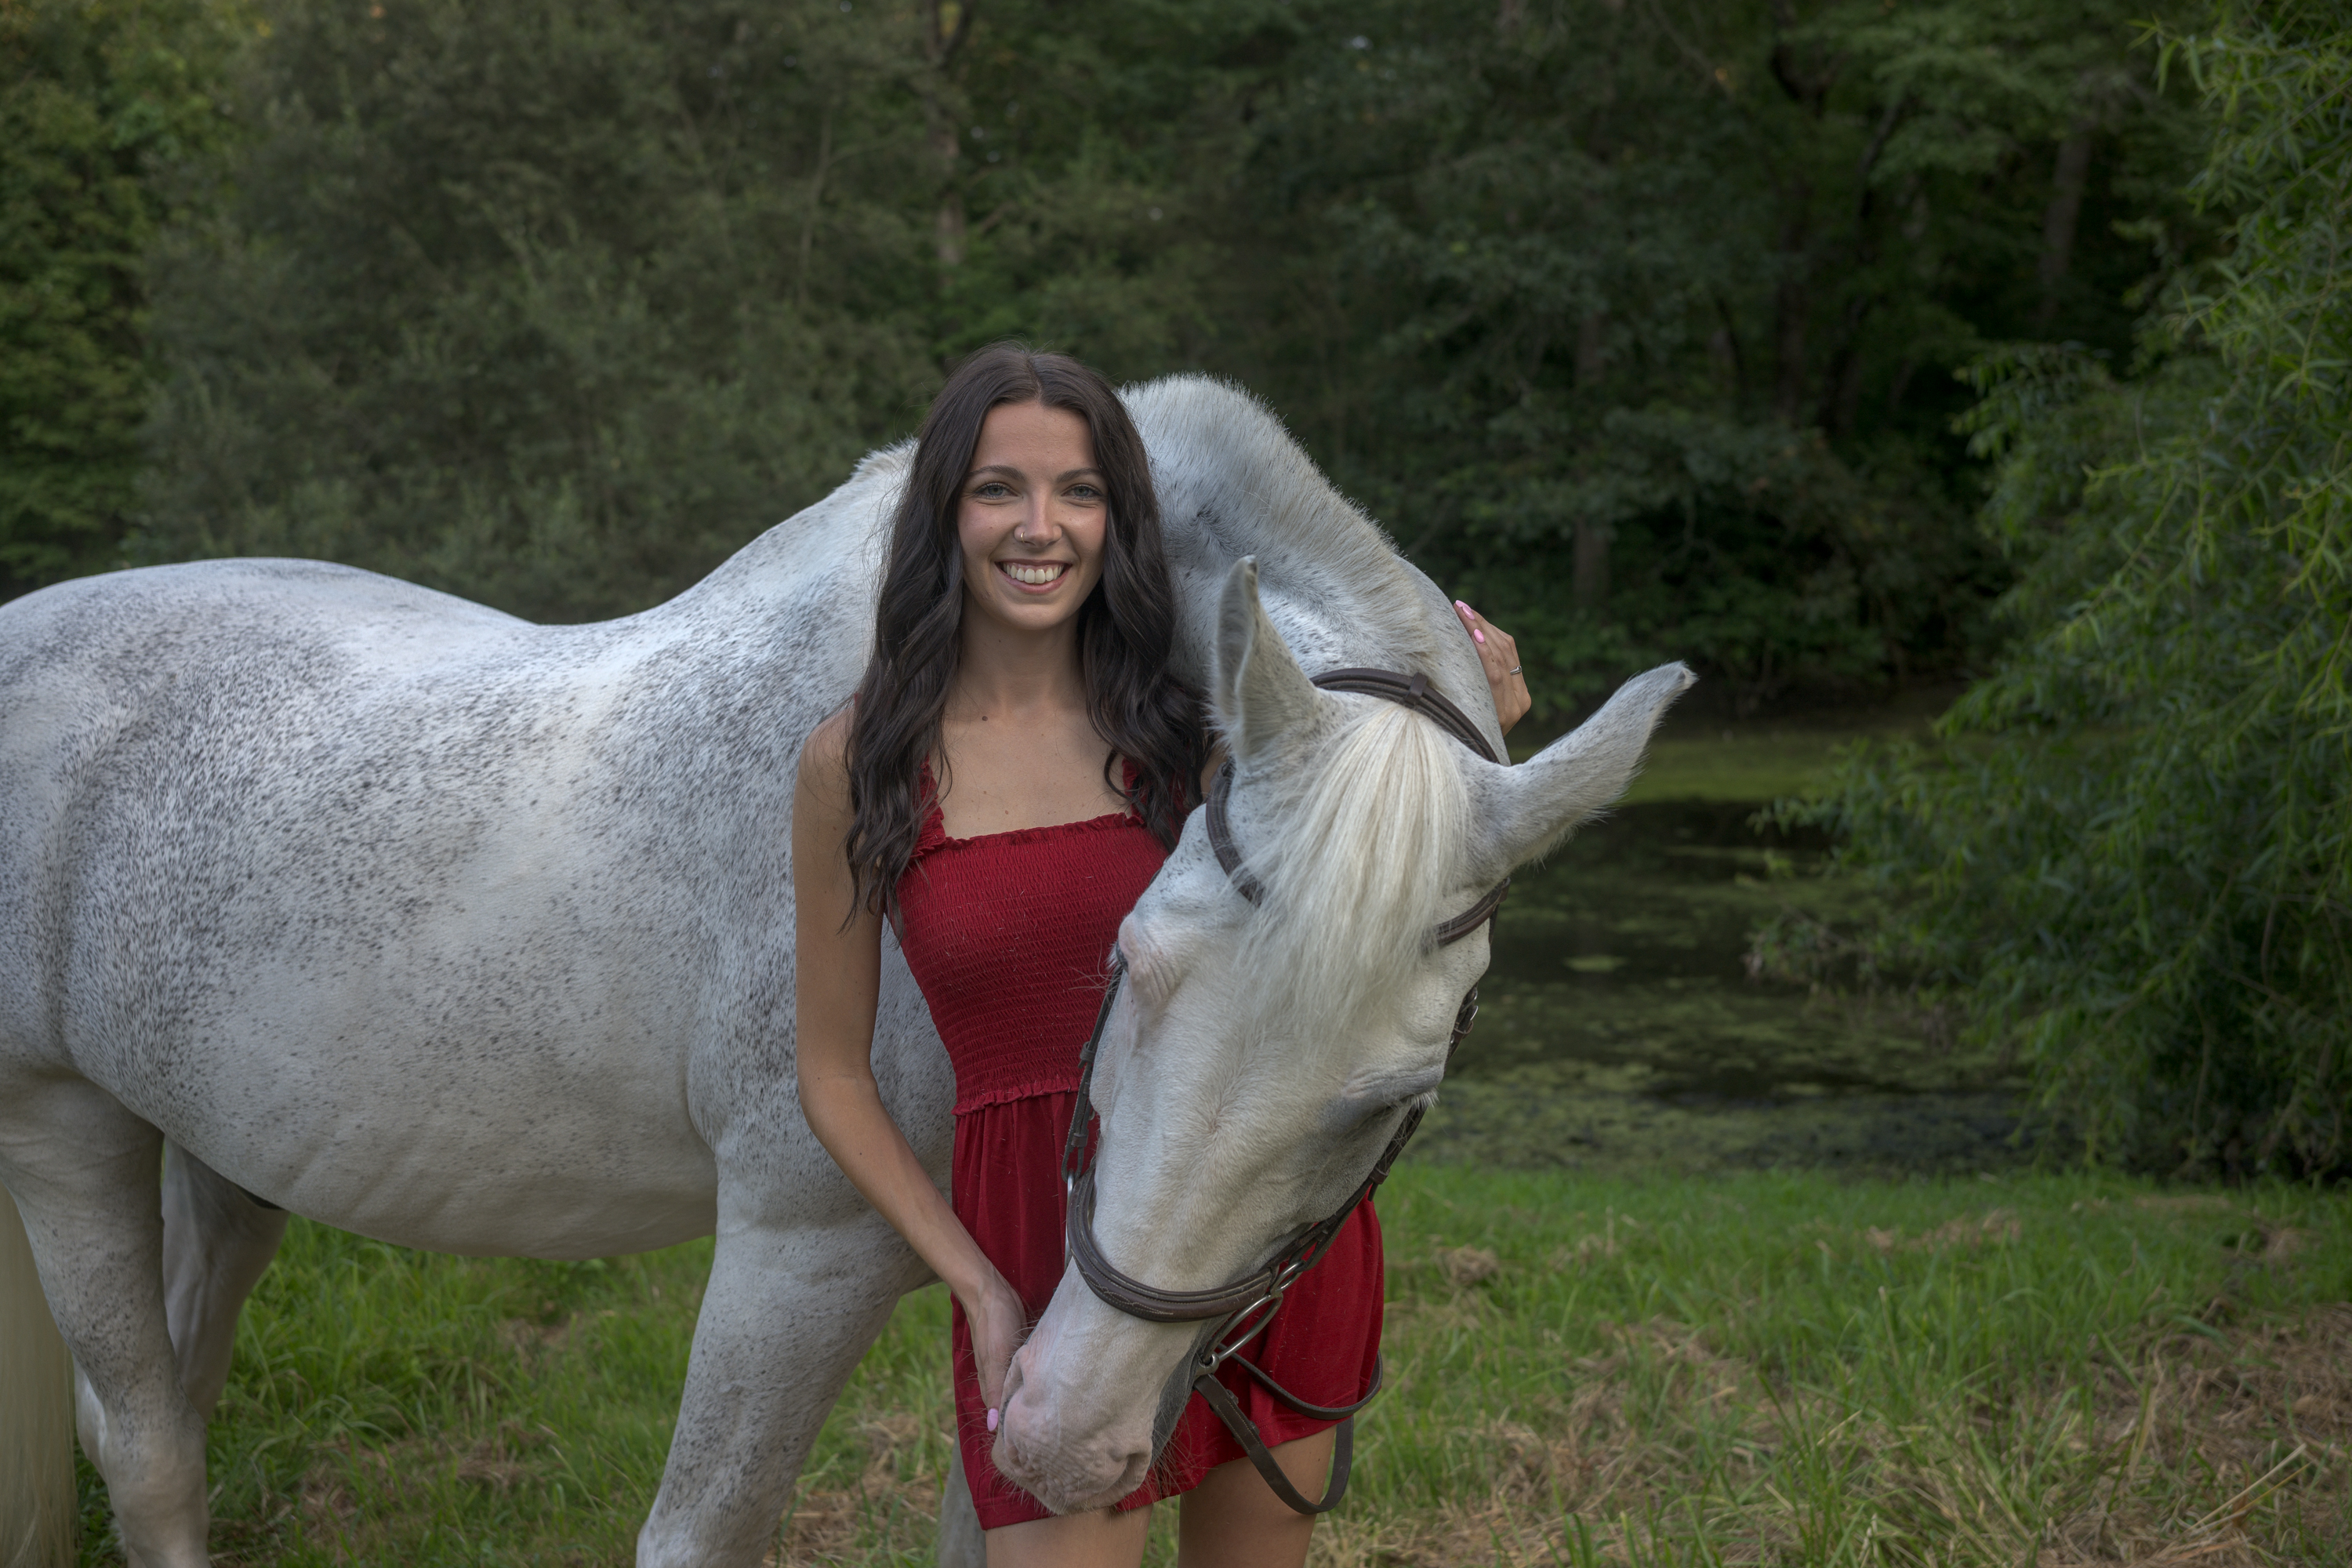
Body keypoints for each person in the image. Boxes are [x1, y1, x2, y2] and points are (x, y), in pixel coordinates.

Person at [793, 344, 1527, 1568]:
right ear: (942, 511)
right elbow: (832, 1075)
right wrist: (977, 1285)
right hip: (1047, 1251)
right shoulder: (859, 762)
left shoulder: (1202, 732)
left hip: (1249, 1230)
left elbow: (1388, 823)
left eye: (1078, 492)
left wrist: (1478, 713)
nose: (1041, 528)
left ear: (1119, 518)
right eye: (998, 489)